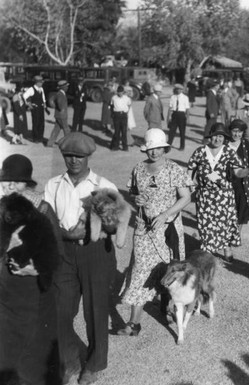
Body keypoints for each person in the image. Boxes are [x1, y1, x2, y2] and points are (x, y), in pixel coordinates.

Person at [44, 132, 118, 385]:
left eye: (79, 156)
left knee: (95, 311)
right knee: (60, 311)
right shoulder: (53, 184)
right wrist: (66, 233)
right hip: (63, 251)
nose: (74, 160)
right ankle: (70, 359)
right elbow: (48, 222)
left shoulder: (102, 185)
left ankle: (94, 364)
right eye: (69, 155)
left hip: (95, 251)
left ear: (88, 157)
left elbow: (114, 227)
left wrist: (93, 226)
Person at [119, 129, 192, 336]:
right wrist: (137, 200)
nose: (155, 152)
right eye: (151, 148)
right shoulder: (138, 169)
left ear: (165, 148)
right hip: (144, 228)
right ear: (146, 149)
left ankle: (167, 307)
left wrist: (166, 214)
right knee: (140, 269)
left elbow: (185, 197)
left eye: (159, 148)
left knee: (169, 270)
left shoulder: (174, 169)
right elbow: (134, 193)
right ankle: (134, 323)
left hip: (168, 229)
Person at [0, 154, 63, 385]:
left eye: (16, 181)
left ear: (28, 183)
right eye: (6, 180)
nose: (9, 186)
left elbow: (58, 256)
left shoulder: (43, 209)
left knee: (37, 359)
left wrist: (34, 269)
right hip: (6, 297)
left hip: (36, 295)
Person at [187, 123, 249, 262]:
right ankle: (207, 249)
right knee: (205, 223)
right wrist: (191, 183)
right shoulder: (200, 151)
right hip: (205, 196)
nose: (217, 139)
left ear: (224, 138)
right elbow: (190, 168)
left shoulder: (228, 152)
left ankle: (227, 248)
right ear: (210, 136)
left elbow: (238, 171)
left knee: (225, 223)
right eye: (215, 136)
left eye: (220, 136)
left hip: (224, 195)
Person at [23, 75, 49, 143]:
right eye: (41, 82)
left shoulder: (41, 89)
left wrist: (45, 105)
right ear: (37, 82)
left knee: (41, 123)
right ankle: (35, 138)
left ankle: (40, 137)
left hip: (41, 108)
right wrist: (29, 104)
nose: (42, 83)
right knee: (36, 123)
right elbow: (23, 96)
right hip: (35, 109)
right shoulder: (31, 89)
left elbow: (43, 98)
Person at [47, 80, 71, 148]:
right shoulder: (60, 94)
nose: (67, 88)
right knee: (66, 129)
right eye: (66, 86)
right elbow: (60, 105)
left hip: (58, 115)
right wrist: (62, 108)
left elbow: (53, 101)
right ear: (63, 87)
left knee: (56, 129)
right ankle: (68, 144)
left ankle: (50, 143)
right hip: (61, 115)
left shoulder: (60, 93)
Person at [167, 84, 190, 150]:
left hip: (181, 115)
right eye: (177, 89)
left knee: (182, 131)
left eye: (180, 89)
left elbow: (187, 108)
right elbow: (170, 107)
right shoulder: (173, 97)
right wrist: (168, 117)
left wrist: (188, 118)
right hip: (174, 114)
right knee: (172, 131)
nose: (178, 90)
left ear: (182, 90)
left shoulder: (185, 97)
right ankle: (169, 145)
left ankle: (182, 146)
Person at [110, 85, 132, 151]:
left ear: (123, 92)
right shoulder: (114, 98)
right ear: (117, 92)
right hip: (116, 115)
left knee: (124, 132)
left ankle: (125, 147)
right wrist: (113, 114)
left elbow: (129, 104)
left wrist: (126, 111)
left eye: (121, 92)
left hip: (123, 115)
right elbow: (111, 106)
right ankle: (116, 146)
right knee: (117, 132)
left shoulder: (126, 98)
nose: (120, 93)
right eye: (119, 92)